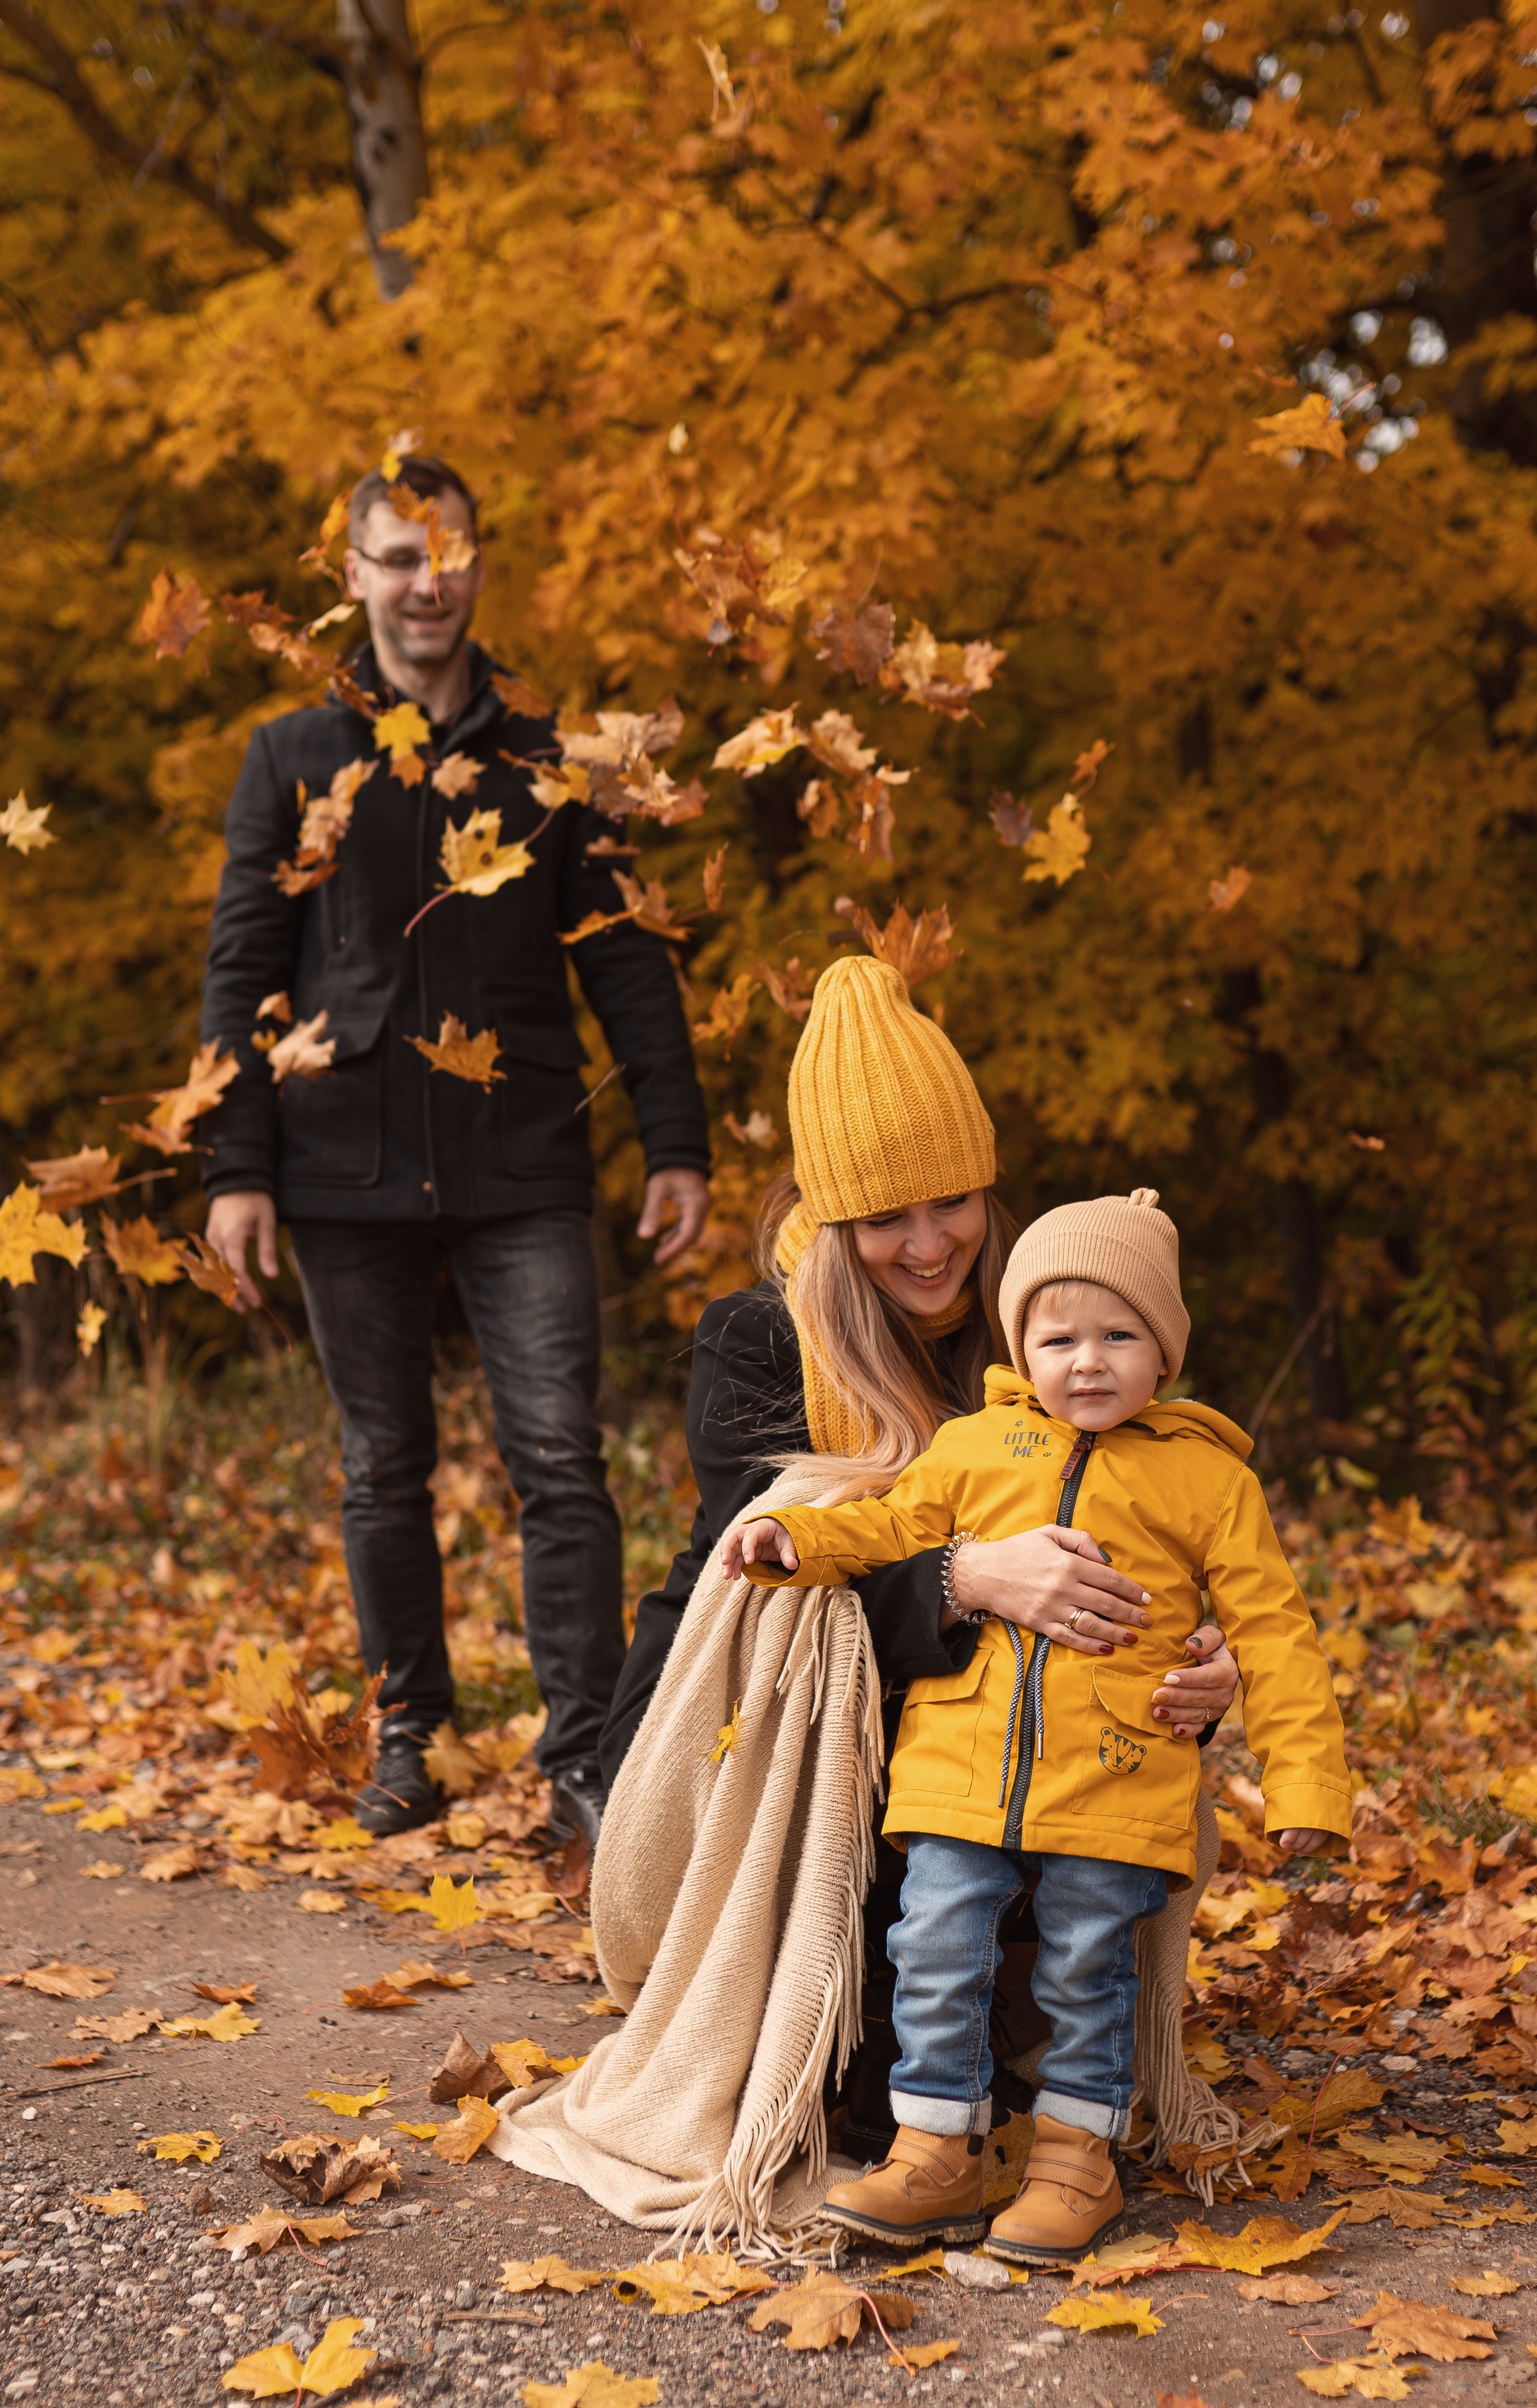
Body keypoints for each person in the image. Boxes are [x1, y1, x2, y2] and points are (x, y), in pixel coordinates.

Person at [597, 955, 1239, 2156]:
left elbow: (1153, 1522)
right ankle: (880, 2024)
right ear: (836, 1221)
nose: (928, 1242)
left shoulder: (1053, 1327)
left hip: (985, 1717)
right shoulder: (756, 1341)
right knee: (859, 2112)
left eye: (950, 1203)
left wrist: (1199, 1662)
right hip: (769, 1722)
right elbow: (766, 1576)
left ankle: (1029, 2010)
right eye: (886, 1217)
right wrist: (965, 1577)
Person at [201, 453, 711, 1844]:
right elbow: (246, 962)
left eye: (453, 553)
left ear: (480, 563)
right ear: (355, 576)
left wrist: (675, 1138)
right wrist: (234, 1167)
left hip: (522, 1157)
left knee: (561, 1460)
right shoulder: (290, 758)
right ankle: (407, 1737)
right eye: (399, 558)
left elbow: (623, 959)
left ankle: (585, 1759)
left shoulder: (553, 755)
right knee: (382, 1467)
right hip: (339, 1163)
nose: (430, 582)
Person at [726, 1186, 1353, 2259]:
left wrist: (1306, 1790)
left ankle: (1076, 2162)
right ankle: (936, 2151)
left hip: (1119, 1776)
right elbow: (888, 1528)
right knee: (934, 1947)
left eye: (1122, 1335)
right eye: (1060, 1338)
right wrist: (793, 1538)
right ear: (1023, 1346)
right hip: (959, 1770)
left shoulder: (1210, 1480)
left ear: (1167, 1352)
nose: (1090, 1361)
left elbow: (1277, 1638)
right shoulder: (975, 1448)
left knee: (1085, 1969)